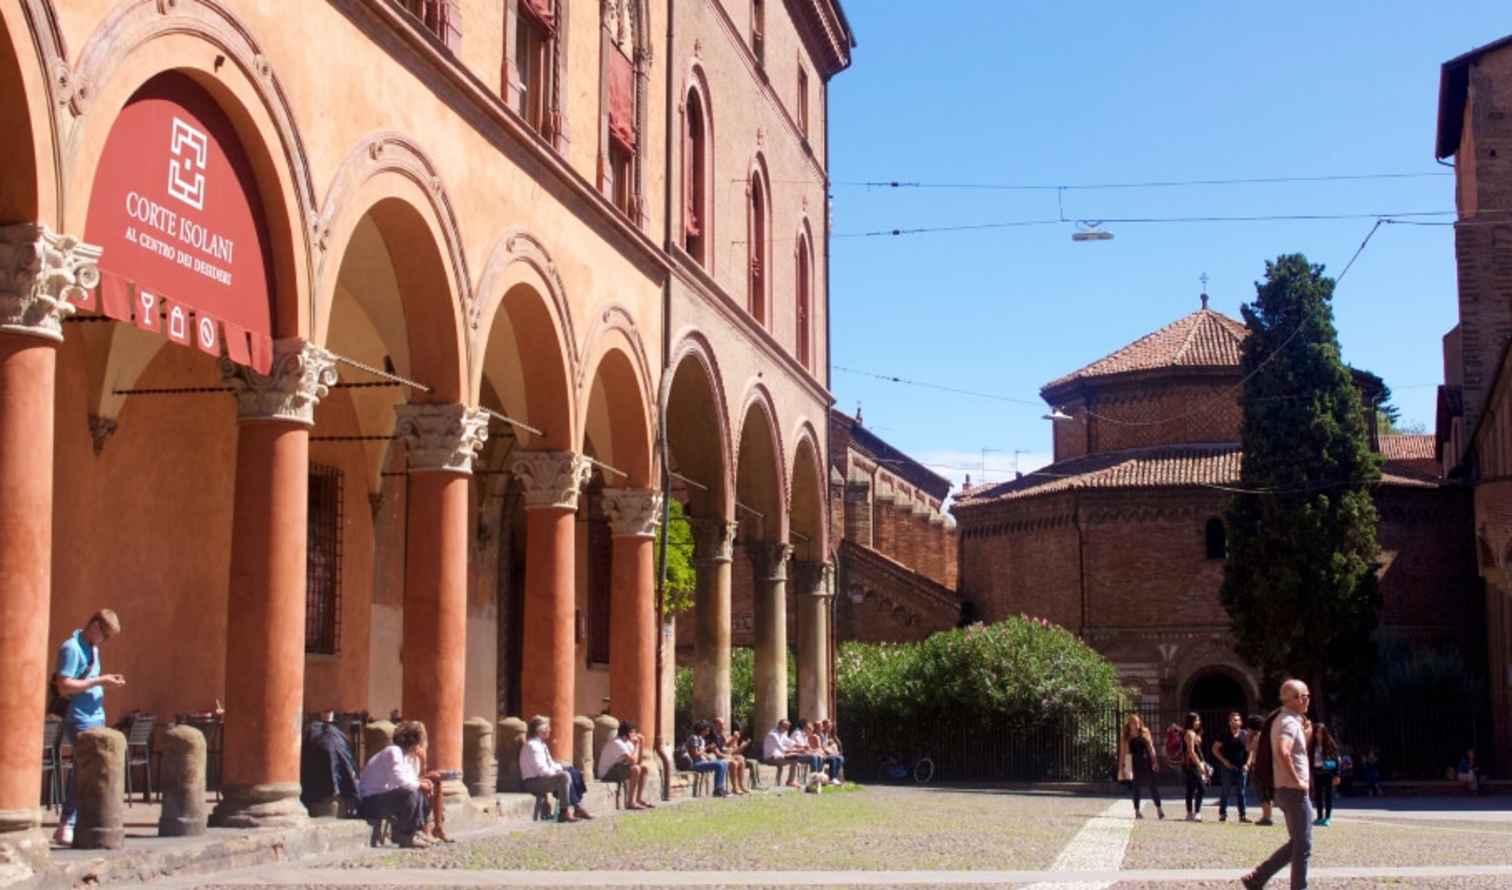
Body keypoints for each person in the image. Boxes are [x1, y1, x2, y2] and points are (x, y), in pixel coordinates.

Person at [51, 609, 125, 847]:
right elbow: (64, 686)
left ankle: (78, 820)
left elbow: (89, 679)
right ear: (94, 626)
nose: (105, 641)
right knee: (83, 769)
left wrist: (105, 680)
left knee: (87, 770)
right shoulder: (70, 648)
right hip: (78, 718)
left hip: (95, 716)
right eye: (105, 635)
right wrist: (98, 681)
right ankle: (67, 824)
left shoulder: (93, 648)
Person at [1242, 679, 1314, 890]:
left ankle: (1257, 878)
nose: (1308, 699)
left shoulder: (1287, 719)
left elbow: (1293, 751)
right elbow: (1283, 750)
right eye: (1305, 696)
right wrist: (1297, 780)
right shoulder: (1289, 722)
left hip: (1284, 789)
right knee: (1303, 845)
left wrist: (1307, 734)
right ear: (1296, 699)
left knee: (1298, 843)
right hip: (1293, 790)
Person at [356, 720, 432, 848]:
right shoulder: (393, 751)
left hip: (383, 798)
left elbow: (410, 779)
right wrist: (419, 784)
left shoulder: (406, 757)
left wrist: (421, 780)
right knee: (411, 793)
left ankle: (414, 831)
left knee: (418, 792)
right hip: (370, 802)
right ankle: (403, 836)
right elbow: (401, 781)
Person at [520, 715, 592, 822]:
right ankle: (564, 812)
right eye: (548, 728)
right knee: (564, 776)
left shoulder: (541, 744)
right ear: (542, 730)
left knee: (572, 771)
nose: (550, 730)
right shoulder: (533, 746)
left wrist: (561, 768)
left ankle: (578, 807)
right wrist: (558, 772)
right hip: (533, 782)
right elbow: (542, 770)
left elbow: (550, 764)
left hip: (541, 779)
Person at [300, 711, 360, 814]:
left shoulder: (314, 733)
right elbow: (348, 769)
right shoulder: (337, 738)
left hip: (312, 794)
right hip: (332, 798)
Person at [597, 720, 653, 809]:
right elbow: (633, 761)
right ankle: (630, 802)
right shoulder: (617, 742)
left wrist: (642, 744)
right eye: (633, 732)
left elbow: (639, 762)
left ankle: (638, 799)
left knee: (644, 769)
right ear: (627, 733)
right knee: (635, 769)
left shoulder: (628, 743)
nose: (635, 735)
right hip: (607, 773)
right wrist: (637, 745)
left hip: (618, 768)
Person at [1118, 714, 1164, 820]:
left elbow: (1151, 747)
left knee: (1152, 785)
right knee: (1136, 787)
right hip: (1132, 762)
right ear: (1129, 724)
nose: (1136, 724)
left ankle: (1159, 809)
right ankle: (1137, 811)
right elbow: (1122, 753)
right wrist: (1121, 767)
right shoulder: (1126, 735)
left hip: (1146, 760)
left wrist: (1155, 761)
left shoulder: (1145, 731)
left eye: (1138, 722)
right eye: (1134, 723)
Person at [1211, 711, 1249, 823]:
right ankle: (1223, 814)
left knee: (1241, 792)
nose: (1235, 722)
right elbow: (1214, 749)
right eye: (1233, 720)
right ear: (1229, 722)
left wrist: (1247, 764)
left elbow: (1251, 750)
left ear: (1241, 722)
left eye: (1237, 720)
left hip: (1241, 768)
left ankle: (1242, 816)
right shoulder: (1224, 734)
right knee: (1225, 791)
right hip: (1227, 767)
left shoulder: (1245, 735)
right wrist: (1224, 761)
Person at [681, 720, 729, 796]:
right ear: (702, 729)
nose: (709, 730)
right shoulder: (694, 738)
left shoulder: (701, 739)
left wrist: (708, 756)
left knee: (724, 764)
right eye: (707, 728)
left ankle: (720, 787)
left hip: (702, 762)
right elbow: (695, 753)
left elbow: (701, 753)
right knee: (719, 765)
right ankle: (717, 789)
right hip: (696, 764)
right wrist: (707, 748)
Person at [762, 719, 814, 787]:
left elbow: (790, 742)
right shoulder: (773, 735)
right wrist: (797, 751)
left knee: (794, 758)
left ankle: (791, 781)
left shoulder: (782, 733)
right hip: (770, 758)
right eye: (785, 727)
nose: (786, 729)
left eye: (787, 727)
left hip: (779, 756)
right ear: (779, 725)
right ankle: (790, 781)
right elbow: (782, 749)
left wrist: (803, 746)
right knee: (794, 759)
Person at [1244, 713, 1275, 826]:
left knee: (1262, 792)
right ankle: (1267, 815)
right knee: (1267, 792)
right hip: (1268, 767)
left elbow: (1249, 749)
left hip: (1259, 767)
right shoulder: (1267, 735)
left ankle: (1267, 817)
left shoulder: (1256, 737)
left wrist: (1248, 737)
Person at [705, 719, 748, 795]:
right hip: (715, 758)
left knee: (741, 759)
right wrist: (729, 756)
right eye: (720, 725)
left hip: (723, 756)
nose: (723, 727)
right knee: (733, 763)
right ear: (715, 726)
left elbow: (725, 746)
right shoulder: (712, 737)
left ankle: (741, 785)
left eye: (723, 724)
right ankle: (734, 788)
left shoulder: (720, 735)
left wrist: (734, 739)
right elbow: (717, 754)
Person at [1310, 723, 1341, 826]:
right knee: (1318, 796)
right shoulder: (1312, 745)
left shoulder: (1330, 744)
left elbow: (1337, 760)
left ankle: (1327, 818)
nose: (1318, 735)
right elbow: (1310, 760)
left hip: (1328, 773)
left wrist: (1337, 775)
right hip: (1317, 773)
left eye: (1321, 733)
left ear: (1325, 733)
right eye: (1317, 732)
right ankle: (1319, 817)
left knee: (1328, 796)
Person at [1182, 712, 1206, 821]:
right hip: (1192, 765)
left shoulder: (1192, 733)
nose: (1198, 722)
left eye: (1199, 720)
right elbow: (1191, 752)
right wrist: (1199, 765)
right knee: (1201, 788)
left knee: (1190, 789)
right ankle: (1196, 813)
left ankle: (1189, 813)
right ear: (1191, 721)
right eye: (1196, 720)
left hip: (1190, 764)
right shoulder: (1190, 733)